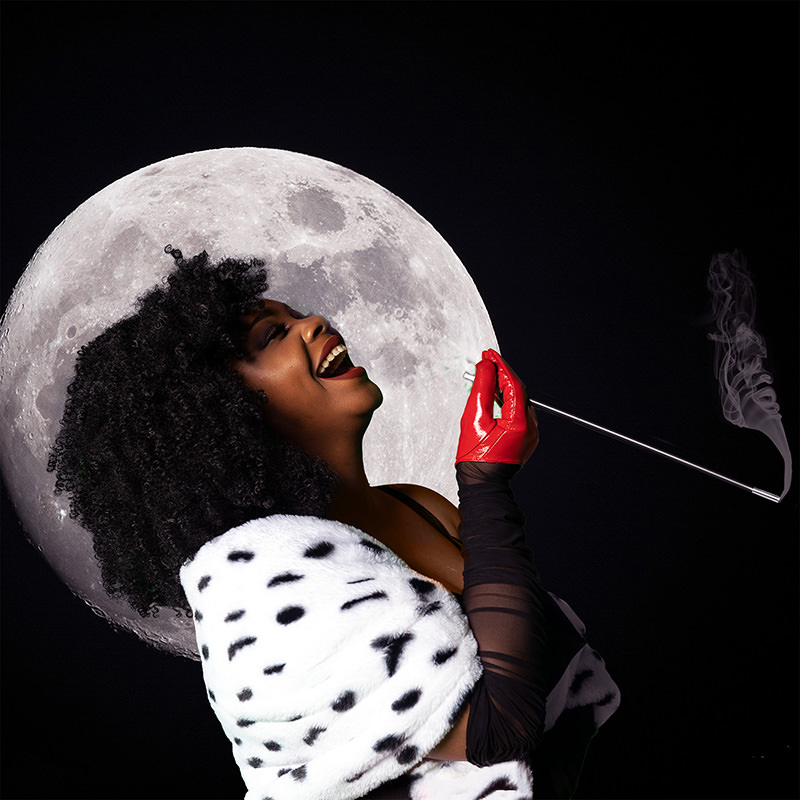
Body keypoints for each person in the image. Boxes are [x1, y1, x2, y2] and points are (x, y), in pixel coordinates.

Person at [49, 249, 619, 799]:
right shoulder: (262, 596)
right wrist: (487, 486)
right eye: (272, 336)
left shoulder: (417, 503)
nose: (315, 322)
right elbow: (504, 728)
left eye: (295, 315)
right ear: (217, 410)